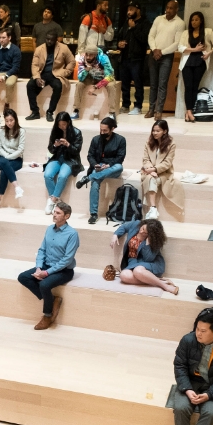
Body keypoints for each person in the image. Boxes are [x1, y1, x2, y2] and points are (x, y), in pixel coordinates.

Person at [18, 202, 79, 331]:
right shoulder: (49, 229)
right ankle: (51, 299)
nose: (54, 215)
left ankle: (47, 315)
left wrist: (46, 273)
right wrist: (39, 268)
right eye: (54, 212)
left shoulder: (72, 234)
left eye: (58, 213)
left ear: (66, 216)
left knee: (44, 284)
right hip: (46, 265)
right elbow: (42, 250)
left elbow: (67, 260)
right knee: (23, 277)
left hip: (64, 270)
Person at [75, 117, 126, 225]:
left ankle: (88, 178)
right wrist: (95, 165)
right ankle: (93, 214)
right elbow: (90, 155)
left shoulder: (121, 140)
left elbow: (120, 158)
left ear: (112, 129)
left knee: (119, 167)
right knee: (95, 182)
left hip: (112, 167)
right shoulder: (95, 139)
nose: (102, 132)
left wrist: (108, 165)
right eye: (101, 130)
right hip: (99, 165)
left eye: (105, 131)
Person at [108, 218, 178, 295]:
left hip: (151, 264)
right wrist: (116, 235)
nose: (141, 231)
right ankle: (159, 281)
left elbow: (148, 259)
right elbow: (124, 227)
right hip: (133, 261)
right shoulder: (136, 224)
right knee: (123, 275)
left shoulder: (154, 240)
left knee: (138, 271)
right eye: (143, 228)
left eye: (145, 233)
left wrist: (148, 243)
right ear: (144, 223)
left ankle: (165, 286)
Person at [176, 11, 213, 121]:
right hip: (187, 61)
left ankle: (189, 112)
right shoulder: (186, 33)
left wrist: (209, 53)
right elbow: (180, 47)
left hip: (200, 61)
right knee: (188, 86)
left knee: (195, 86)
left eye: (196, 20)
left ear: (201, 21)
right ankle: (189, 111)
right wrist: (194, 49)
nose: (193, 22)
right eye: (192, 20)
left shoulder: (208, 32)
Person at [147, 0, 184, 118]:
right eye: (167, 8)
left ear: (176, 9)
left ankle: (159, 110)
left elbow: (177, 43)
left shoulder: (180, 23)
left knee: (162, 84)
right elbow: (151, 35)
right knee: (153, 84)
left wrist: (161, 52)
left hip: (167, 56)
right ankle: (151, 109)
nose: (168, 10)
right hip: (153, 54)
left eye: (171, 8)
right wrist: (154, 49)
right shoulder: (159, 19)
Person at [137, 119, 182, 219]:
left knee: (151, 179)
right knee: (150, 178)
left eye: (158, 131)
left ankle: (152, 209)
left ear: (165, 131)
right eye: (153, 130)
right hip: (148, 170)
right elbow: (145, 159)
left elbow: (167, 162)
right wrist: (149, 169)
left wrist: (154, 170)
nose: (155, 133)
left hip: (163, 172)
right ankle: (153, 208)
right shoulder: (149, 142)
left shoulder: (171, 144)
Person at [27, 33, 75, 121]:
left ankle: (50, 112)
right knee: (30, 85)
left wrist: (65, 72)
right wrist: (37, 77)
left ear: (56, 40)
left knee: (58, 86)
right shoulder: (39, 49)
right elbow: (34, 65)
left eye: (51, 40)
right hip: (42, 74)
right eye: (47, 39)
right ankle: (35, 112)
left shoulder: (64, 48)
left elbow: (72, 61)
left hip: (56, 74)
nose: (49, 41)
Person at [42, 112, 83, 214]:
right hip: (57, 157)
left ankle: (52, 200)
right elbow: (50, 149)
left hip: (70, 159)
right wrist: (55, 146)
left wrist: (68, 144)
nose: (62, 127)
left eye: (64, 124)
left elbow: (76, 151)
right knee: (47, 174)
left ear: (68, 122)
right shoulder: (56, 130)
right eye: (60, 125)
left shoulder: (77, 132)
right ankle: (55, 201)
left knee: (62, 176)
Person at [115, 3, 149, 115]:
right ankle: (125, 105)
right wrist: (119, 44)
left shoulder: (145, 23)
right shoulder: (126, 22)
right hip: (124, 58)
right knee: (125, 84)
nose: (128, 12)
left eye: (131, 9)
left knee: (138, 83)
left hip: (137, 59)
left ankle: (138, 105)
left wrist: (134, 28)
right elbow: (120, 37)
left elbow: (144, 39)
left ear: (138, 10)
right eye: (128, 10)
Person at [0, 108, 25, 209]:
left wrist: (10, 157)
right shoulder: (1, 131)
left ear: (16, 120)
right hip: (2, 158)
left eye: (11, 120)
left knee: (4, 172)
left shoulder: (21, 131)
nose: (9, 123)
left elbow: (20, 149)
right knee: (4, 163)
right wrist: (6, 156)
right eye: (7, 121)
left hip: (16, 159)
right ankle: (17, 187)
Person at [74, 48, 115, 119]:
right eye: (87, 55)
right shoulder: (82, 59)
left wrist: (96, 87)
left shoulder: (103, 58)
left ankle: (112, 113)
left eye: (91, 55)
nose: (88, 57)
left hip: (104, 77)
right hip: (91, 77)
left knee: (111, 86)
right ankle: (76, 110)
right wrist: (86, 71)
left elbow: (110, 76)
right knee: (79, 84)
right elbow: (80, 78)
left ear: (95, 55)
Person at [0, 29, 21, 112]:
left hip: (11, 73)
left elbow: (15, 67)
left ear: (9, 38)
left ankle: (7, 103)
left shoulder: (16, 50)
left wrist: (5, 76)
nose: (1, 40)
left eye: (3, 37)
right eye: (0, 37)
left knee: (9, 84)